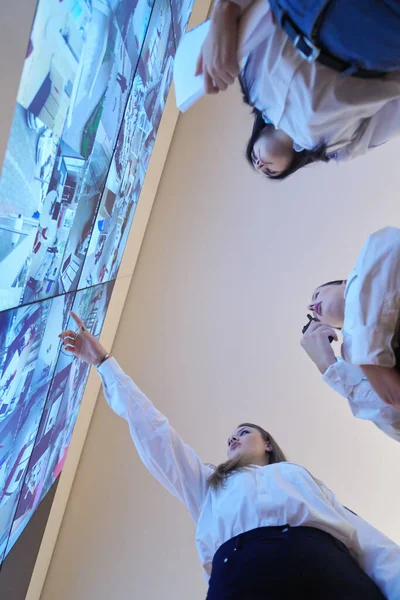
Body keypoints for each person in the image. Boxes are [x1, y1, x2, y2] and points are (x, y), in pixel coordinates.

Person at [59, 312, 400, 598]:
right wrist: (104, 363)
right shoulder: (208, 486)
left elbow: (367, 543)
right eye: (232, 436)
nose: (233, 438)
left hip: (328, 571)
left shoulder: (299, 477)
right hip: (239, 580)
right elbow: (156, 434)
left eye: (244, 432)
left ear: (268, 443)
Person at [195, 0, 400, 180]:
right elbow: (394, 115)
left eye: (253, 158)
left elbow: (256, 11)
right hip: (378, 37)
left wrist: (224, 8)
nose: (259, 165)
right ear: (290, 167)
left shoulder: (251, 83)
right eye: (268, 172)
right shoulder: (339, 149)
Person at [301, 227, 400, 442]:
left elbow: (391, 243)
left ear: (345, 282)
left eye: (316, 294)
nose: (311, 305)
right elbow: (394, 418)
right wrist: (329, 367)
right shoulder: (351, 358)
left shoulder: (367, 262)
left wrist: (370, 360)